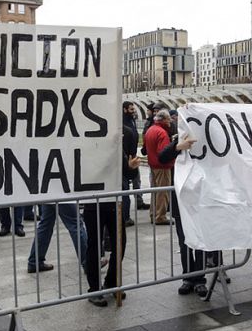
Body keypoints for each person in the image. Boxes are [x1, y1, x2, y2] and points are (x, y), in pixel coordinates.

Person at [83, 129, 140, 307]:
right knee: (94, 245)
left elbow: (127, 174)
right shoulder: (89, 147)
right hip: (94, 202)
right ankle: (94, 289)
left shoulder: (117, 149)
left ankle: (111, 281)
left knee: (120, 243)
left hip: (114, 203)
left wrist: (131, 168)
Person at [158, 133, 209, 296]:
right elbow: (163, 157)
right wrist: (178, 146)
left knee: (200, 241)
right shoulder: (180, 138)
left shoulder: (207, 140)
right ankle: (188, 277)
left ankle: (200, 279)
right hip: (182, 202)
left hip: (202, 199)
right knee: (184, 241)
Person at [27, 202, 88, 273]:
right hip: (62, 193)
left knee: (45, 225)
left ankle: (35, 262)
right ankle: (88, 263)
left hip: (49, 194)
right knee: (76, 225)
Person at [144, 109, 174, 225]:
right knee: (163, 192)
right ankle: (160, 216)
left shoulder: (151, 129)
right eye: (168, 119)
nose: (170, 121)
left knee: (154, 191)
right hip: (162, 166)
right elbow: (163, 153)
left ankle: (153, 214)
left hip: (153, 165)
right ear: (163, 119)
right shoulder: (162, 133)